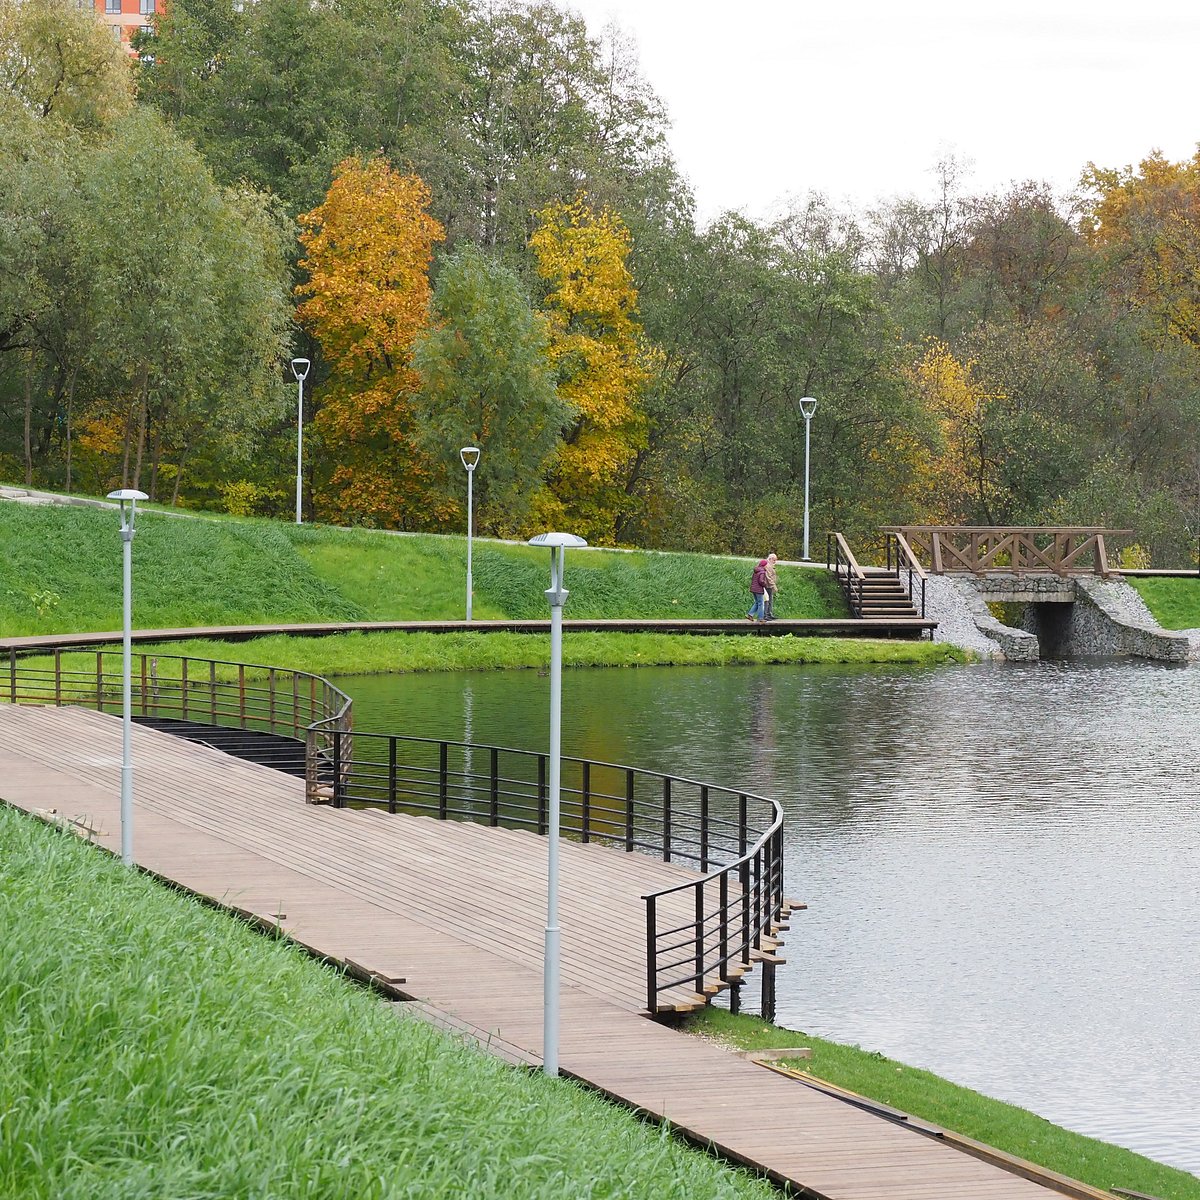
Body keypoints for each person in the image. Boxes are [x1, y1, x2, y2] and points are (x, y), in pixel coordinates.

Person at [747, 556, 768, 622]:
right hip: (759, 590)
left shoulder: (756, 570)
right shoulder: (762, 572)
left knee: (757, 602)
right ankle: (760, 618)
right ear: (764, 565)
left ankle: (750, 614)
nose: (767, 566)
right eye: (766, 565)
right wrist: (765, 584)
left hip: (753, 589)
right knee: (761, 603)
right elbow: (761, 581)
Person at [763, 552, 779, 620]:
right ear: (770, 559)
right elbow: (768, 577)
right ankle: (766, 615)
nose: (775, 561)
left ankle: (769, 613)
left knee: (770, 600)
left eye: (776, 560)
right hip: (768, 585)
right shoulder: (768, 565)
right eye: (774, 560)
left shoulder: (770, 565)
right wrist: (774, 586)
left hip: (770, 585)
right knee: (767, 600)